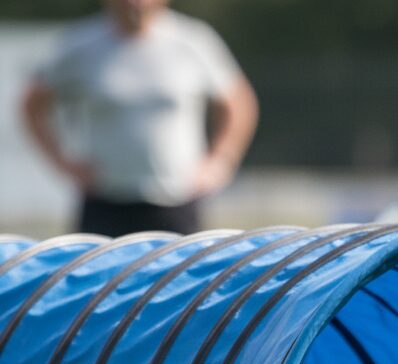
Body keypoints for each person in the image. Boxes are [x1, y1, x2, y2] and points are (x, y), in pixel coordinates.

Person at [21, 0, 258, 236]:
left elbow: (238, 103)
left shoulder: (195, 40)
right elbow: (32, 104)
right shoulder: (79, 44)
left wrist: (221, 162)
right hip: (104, 200)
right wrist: (63, 163)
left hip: (176, 200)